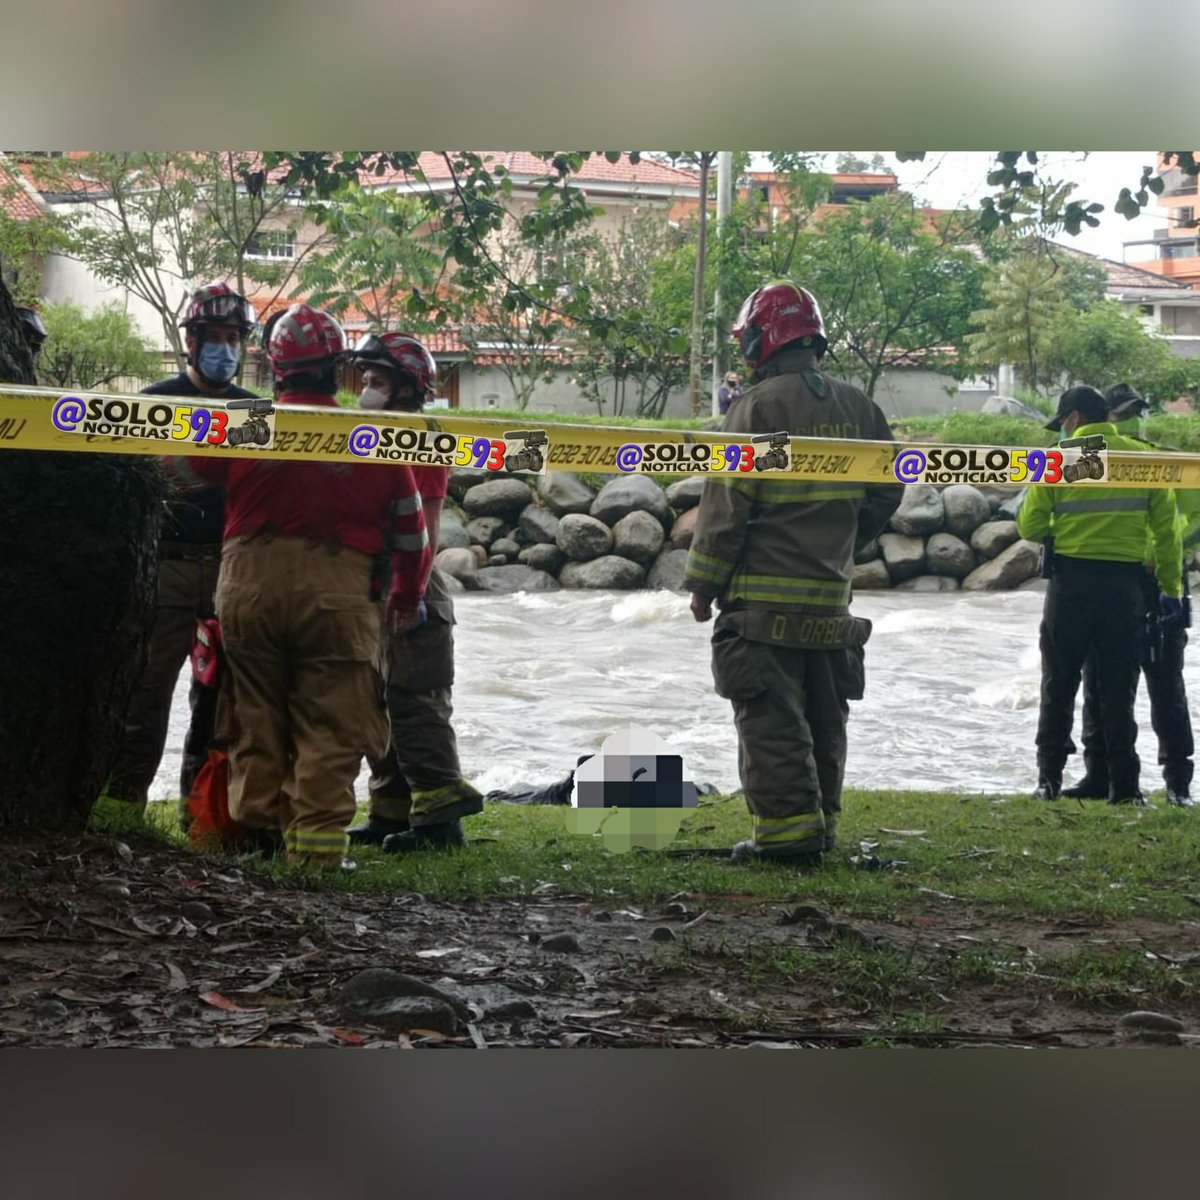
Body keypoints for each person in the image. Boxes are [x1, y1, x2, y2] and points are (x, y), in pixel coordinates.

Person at [178, 305, 432, 870]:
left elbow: (194, 462)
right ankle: (314, 854)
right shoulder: (372, 434)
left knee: (255, 714)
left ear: (275, 367)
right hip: (339, 595)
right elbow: (412, 531)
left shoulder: (250, 419)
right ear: (337, 368)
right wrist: (408, 597)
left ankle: (258, 835)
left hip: (248, 589)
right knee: (331, 723)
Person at [685, 281, 904, 867]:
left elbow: (726, 503)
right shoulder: (862, 407)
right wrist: (845, 543)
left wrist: (704, 584)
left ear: (763, 340)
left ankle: (785, 836)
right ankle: (822, 824)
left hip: (761, 607)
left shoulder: (755, 408)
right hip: (832, 604)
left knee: (772, 722)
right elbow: (888, 490)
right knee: (825, 719)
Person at [107, 283, 260, 821]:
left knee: (221, 704)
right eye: (213, 337)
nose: (224, 348)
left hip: (231, 571)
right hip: (165, 568)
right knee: (144, 696)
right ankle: (122, 810)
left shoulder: (254, 412)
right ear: (190, 342)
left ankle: (205, 817)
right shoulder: (152, 403)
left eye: (233, 338)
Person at [345, 331, 484, 852]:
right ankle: (389, 814)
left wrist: (413, 591)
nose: (367, 387)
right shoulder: (371, 431)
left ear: (407, 386)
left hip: (415, 584)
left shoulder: (420, 436)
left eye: (378, 379)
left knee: (417, 705)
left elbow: (423, 521)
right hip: (381, 583)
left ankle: (440, 822)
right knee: (379, 704)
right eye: (365, 378)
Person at [1018, 385, 1183, 805]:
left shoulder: (1065, 457)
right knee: (1117, 688)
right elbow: (1167, 534)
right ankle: (1124, 787)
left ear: (1073, 419)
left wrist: (1065, 533)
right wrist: (1170, 589)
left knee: (1059, 684)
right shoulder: (1142, 458)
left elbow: (1031, 526)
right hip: (1124, 589)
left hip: (1071, 585)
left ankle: (1048, 780)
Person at [1062, 383, 1198, 806]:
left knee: (1160, 683)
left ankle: (1176, 781)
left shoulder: (1162, 460)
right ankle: (1101, 775)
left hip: (1150, 582)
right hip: (1123, 580)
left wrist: (1160, 563)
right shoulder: (1091, 458)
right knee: (1101, 682)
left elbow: (1187, 522)